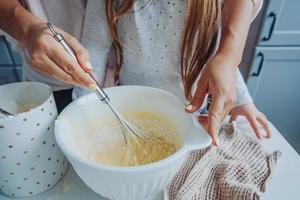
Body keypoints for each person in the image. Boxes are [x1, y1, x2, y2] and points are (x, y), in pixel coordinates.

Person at [0, 0, 271, 146]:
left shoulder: (211, 5)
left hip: (196, 108)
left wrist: (243, 100)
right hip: (132, 102)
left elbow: (219, 58)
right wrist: (81, 108)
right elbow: (93, 49)